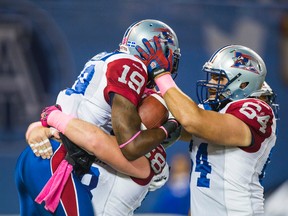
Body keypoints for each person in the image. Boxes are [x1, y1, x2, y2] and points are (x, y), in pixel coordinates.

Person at [15, 19, 181, 216]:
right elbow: (130, 143)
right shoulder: (132, 66)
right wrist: (166, 128)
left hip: (49, 158)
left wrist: (50, 118)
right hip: (57, 161)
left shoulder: (105, 59)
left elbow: (99, 138)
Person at [137, 41, 277, 215]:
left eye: (219, 78)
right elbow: (182, 122)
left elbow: (192, 120)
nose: (211, 83)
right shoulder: (214, 112)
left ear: (243, 84)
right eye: (211, 76)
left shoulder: (257, 109)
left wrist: (160, 74)